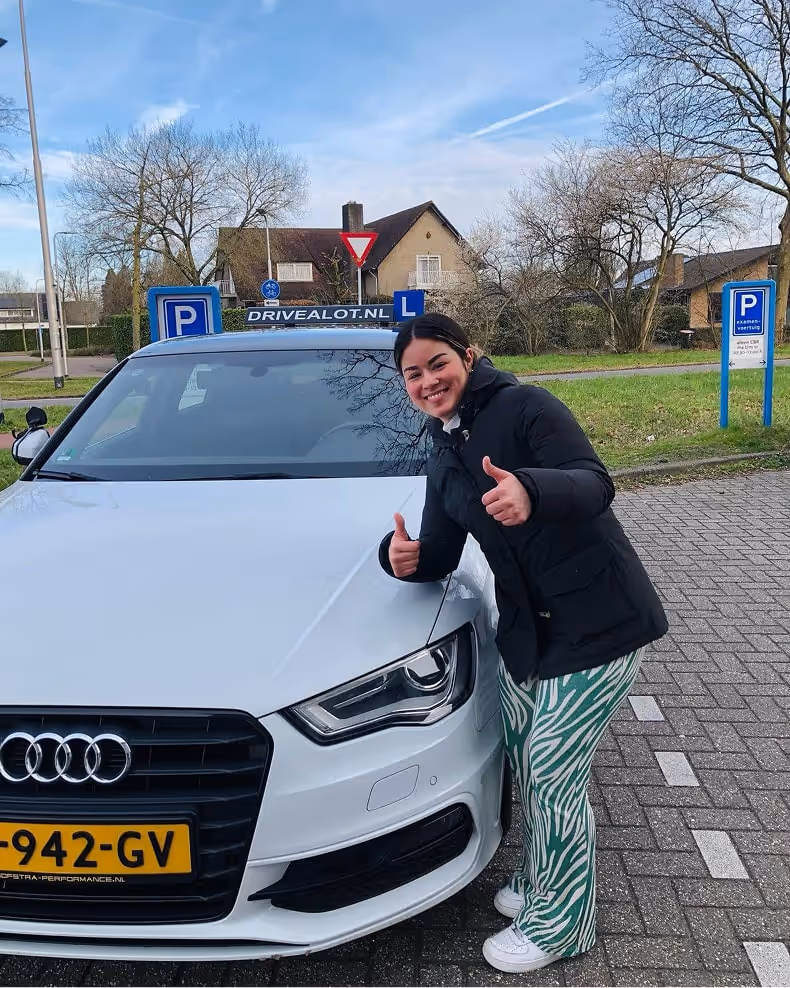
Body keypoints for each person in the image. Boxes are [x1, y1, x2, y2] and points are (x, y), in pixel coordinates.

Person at [379, 313, 668, 974]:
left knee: (550, 768)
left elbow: (594, 482)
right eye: (413, 373)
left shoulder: (527, 407)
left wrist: (532, 489)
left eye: (437, 363)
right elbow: (440, 551)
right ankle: (543, 880)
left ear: (468, 356)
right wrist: (399, 557)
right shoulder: (441, 449)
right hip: (527, 628)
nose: (428, 381)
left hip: (601, 620)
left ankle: (564, 924)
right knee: (524, 753)